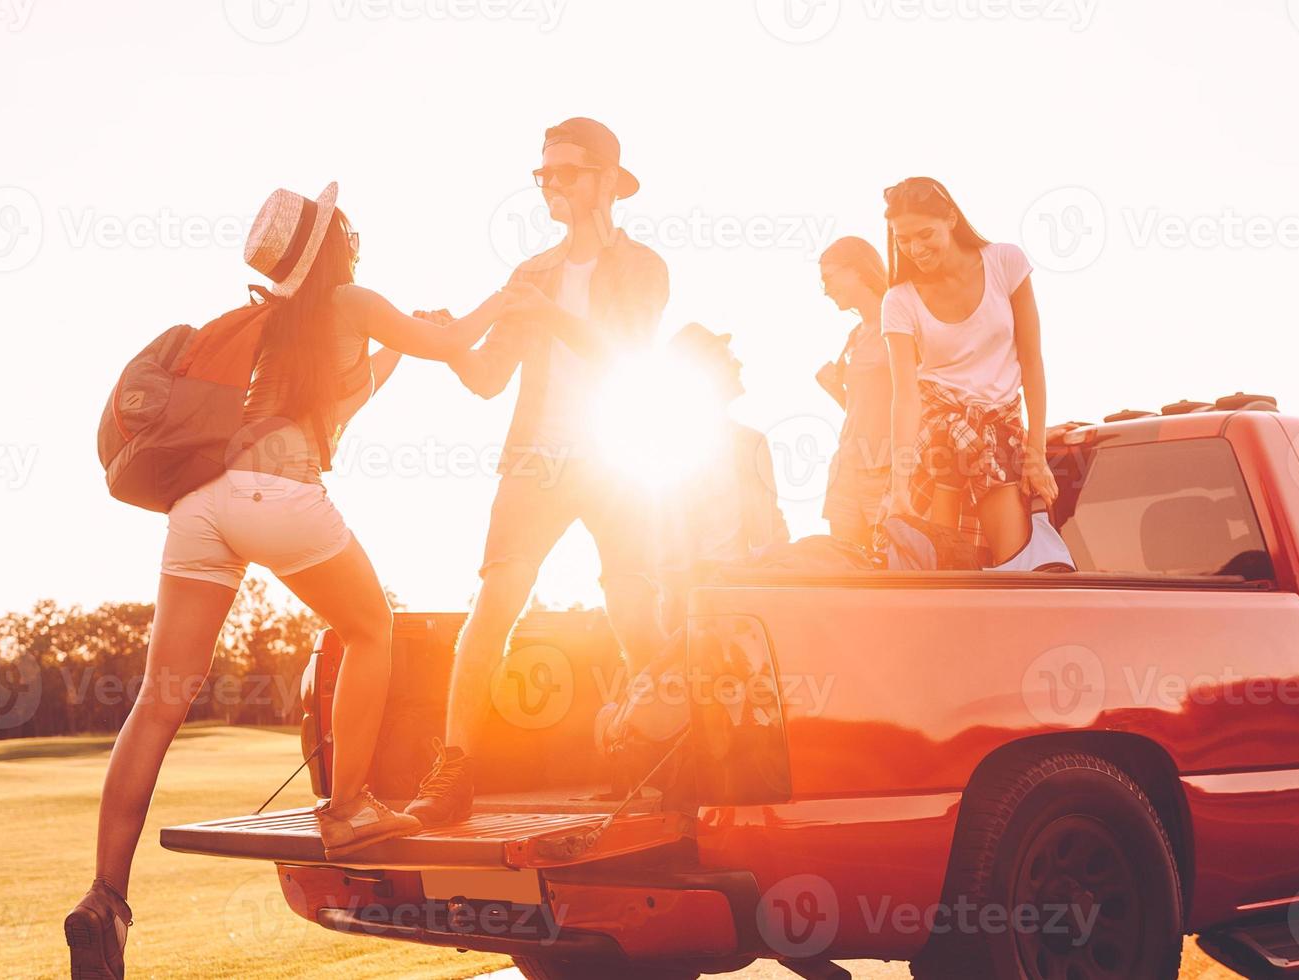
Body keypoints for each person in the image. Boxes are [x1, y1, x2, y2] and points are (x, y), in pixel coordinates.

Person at [65, 182, 508, 980]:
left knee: (159, 697)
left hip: (200, 507)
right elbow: (456, 348)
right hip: (278, 495)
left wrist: (402, 344)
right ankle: (347, 809)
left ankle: (106, 896)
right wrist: (499, 302)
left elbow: (341, 405)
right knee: (371, 632)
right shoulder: (351, 296)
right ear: (334, 242)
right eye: (350, 230)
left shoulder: (273, 326)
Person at [403, 118, 670, 828]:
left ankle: (670, 753)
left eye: (565, 172)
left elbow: (625, 358)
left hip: (617, 457)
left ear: (607, 180)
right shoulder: (530, 274)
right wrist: (447, 341)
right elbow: (489, 378)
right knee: (493, 606)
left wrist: (548, 313)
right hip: (534, 460)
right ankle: (454, 770)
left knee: (635, 612)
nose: (549, 183)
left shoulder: (642, 267)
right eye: (541, 173)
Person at [879, 176, 1059, 567]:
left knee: (1016, 574)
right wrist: (898, 487)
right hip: (939, 440)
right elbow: (905, 398)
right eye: (903, 240)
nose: (915, 248)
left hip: (1000, 437)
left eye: (924, 234)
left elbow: (1032, 362)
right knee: (942, 578)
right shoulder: (899, 300)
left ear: (950, 219)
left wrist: (1036, 453)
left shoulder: (1005, 262)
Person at [658, 323, 789, 631]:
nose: (738, 363)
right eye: (727, 357)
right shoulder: (669, 447)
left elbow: (773, 522)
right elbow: (657, 531)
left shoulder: (752, 442)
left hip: (744, 587)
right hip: (687, 590)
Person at [816, 237, 893, 550]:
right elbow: (863, 406)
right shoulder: (854, 335)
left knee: (889, 567)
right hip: (847, 465)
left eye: (829, 278)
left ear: (857, 270)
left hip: (885, 468)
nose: (826, 289)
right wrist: (835, 390)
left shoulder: (899, 327)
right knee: (844, 568)